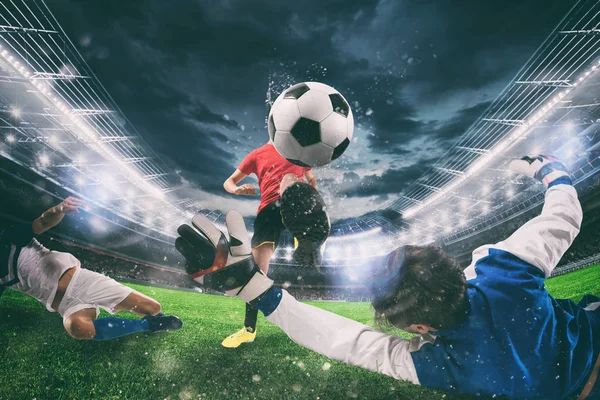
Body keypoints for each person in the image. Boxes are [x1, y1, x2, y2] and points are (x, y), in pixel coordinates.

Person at [177, 155, 600, 400]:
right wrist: (548, 170)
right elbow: (564, 214)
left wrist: (256, 290)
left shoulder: (441, 366)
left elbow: (343, 340)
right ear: (450, 265)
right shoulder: (504, 268)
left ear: (418, 328)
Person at [0, 196, 182, 340]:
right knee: (77, 328)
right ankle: (147, 326)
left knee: (153, 307)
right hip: (64, 305)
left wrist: (59, 209)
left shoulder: (8, 238)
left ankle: (154, 317)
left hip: (82, 282)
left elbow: (43, 222)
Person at [220, 139, 329, 348]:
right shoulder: (257, 154)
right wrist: (237, 190)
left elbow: (311, 178)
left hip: (294, 202)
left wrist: (312, 195)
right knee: (255, 274)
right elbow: (229, 182)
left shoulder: (298, 150)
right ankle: (248, 330)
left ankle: (309, 238)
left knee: (288, 179)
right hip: (268, 212)